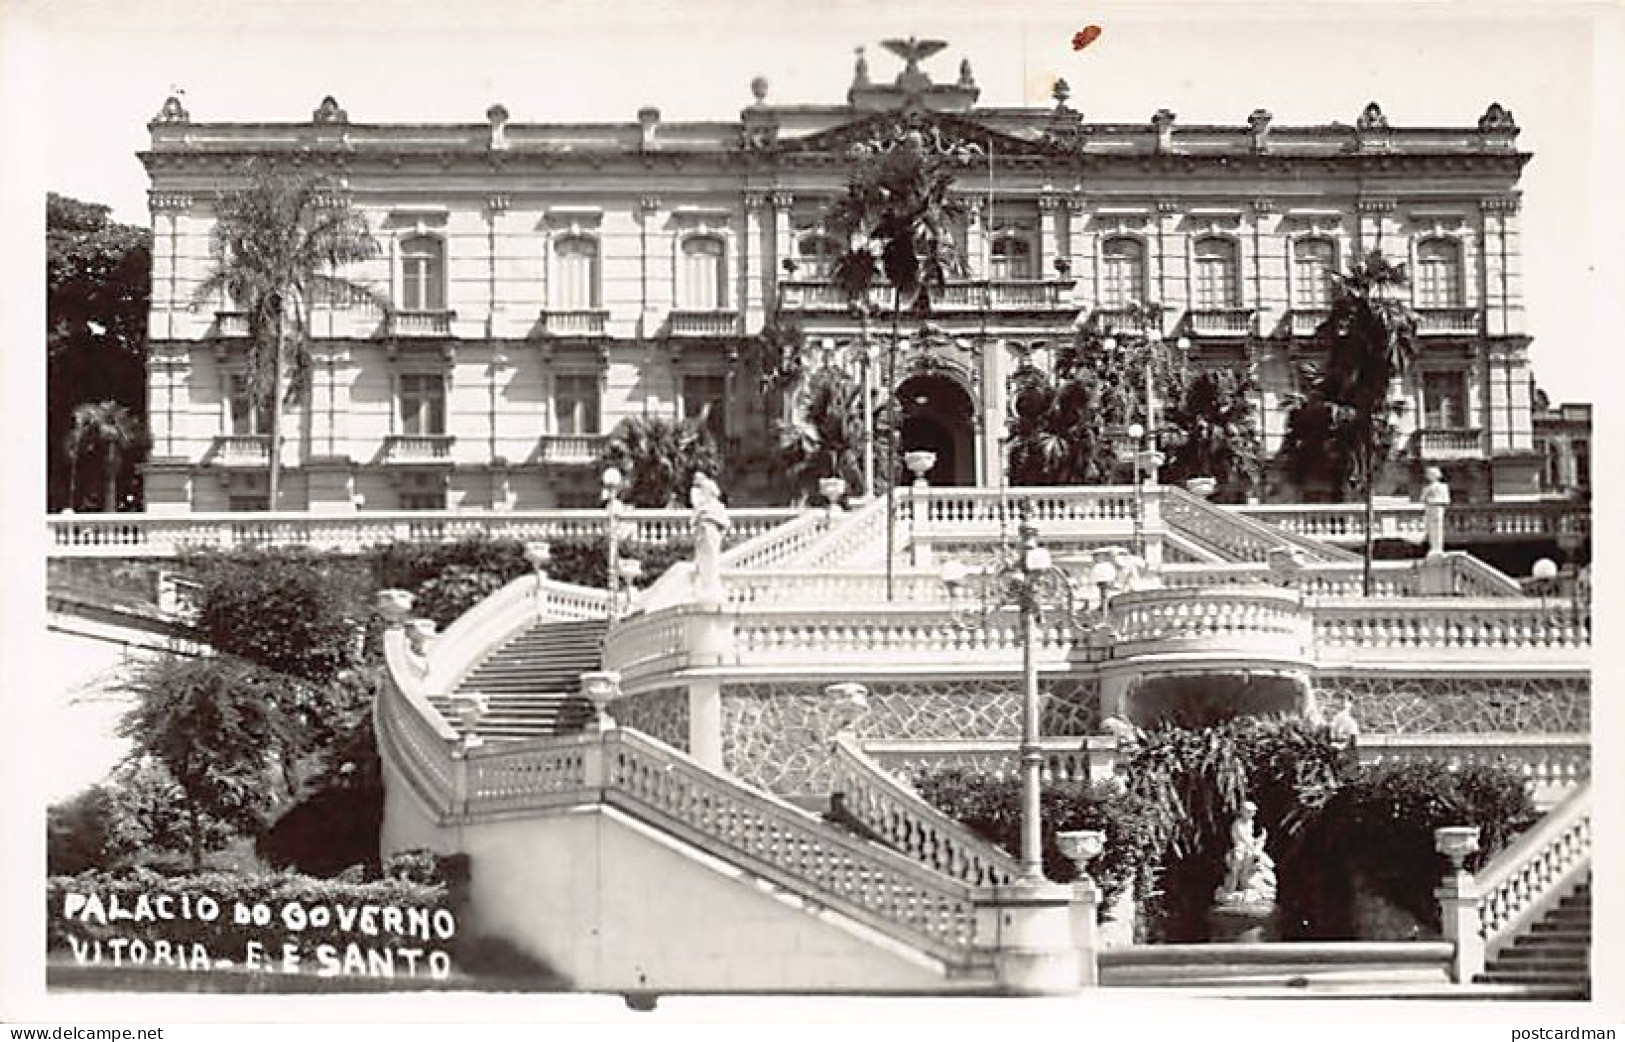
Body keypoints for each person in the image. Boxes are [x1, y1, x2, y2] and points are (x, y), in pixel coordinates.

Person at [690, 472, 732, 605]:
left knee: (711, 561)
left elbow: (725, 524)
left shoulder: (716, 507)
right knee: (704, 562)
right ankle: (705, 587)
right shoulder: (703, 507)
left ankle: (708, 587)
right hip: (704, 539)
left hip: (710, 539)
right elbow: (694, 522)